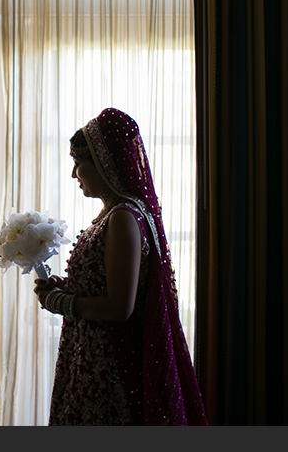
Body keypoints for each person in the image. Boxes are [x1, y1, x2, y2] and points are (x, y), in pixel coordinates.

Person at [33, 107, 207, 425]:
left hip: (109, 366)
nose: (74, 174)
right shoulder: (114, 214)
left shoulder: (124, 217)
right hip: (91, 356)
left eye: (78, 163)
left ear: (102, 161)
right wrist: (66, 288)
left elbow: (119, 307)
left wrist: (59, 301)